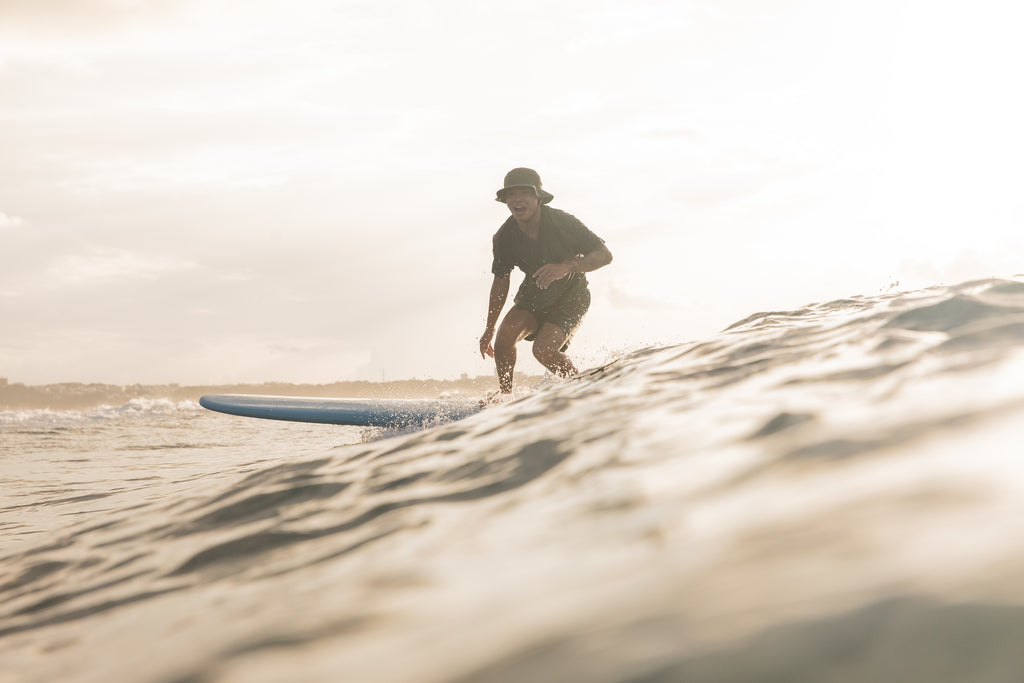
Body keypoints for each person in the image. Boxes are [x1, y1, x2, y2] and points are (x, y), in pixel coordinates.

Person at [479, 168, 613, 394]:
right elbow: (501, 281)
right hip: (535, 296)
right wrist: (489, 328)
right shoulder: (504, 237)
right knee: (505, 336)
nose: (517, 200)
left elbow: (605, 255)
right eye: (511, 195)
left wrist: (568, 266)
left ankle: (582, 390)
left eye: (524, 193)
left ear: (538, 197)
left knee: (543, 351)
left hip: (572, 297)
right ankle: (505, 397)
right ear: (505, 200)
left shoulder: (563, 223)